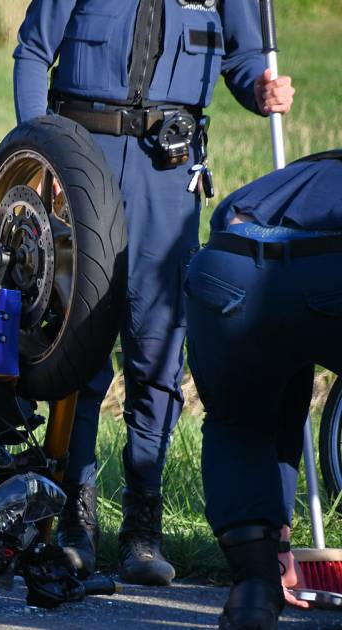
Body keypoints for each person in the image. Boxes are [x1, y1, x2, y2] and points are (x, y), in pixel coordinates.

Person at [13, 0, 294, 585]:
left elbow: (243, 60)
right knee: (81, 340)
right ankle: (75, 518)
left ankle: (142, 527)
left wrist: (261, 90)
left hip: (167, 169)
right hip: (82, 160)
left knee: (158, 344)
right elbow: (33, 51)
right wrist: (39, 154)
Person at [186, 152, 342, 629]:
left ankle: (254, 589)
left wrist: (279, 540)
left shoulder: (294, 179)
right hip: (328, 274)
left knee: (240, 421)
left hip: (225, 272)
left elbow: (288, 405)